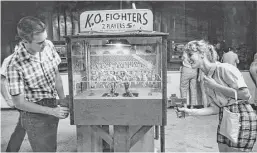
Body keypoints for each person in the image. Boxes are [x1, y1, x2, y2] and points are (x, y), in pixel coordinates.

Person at [178, 40, 257, 152]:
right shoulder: (207, 77)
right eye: (185, 55)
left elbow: (245, 94)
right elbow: (215, 108)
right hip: (225, 117)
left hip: (241, 116)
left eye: (190, 54)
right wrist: (189, 112)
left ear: (202, 54)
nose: (186, 58)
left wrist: (215, 86)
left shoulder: (224, 69)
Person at [6, 16, 69, 152]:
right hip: (33, 113)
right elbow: (19, 103)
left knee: (51, 147)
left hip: (52, 103)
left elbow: (56, 74)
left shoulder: (48, 46)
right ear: (25, 41)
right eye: (39, 42)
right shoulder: (15, 65)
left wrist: (62, 99)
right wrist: (51, 111)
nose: (45, 44)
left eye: (45, 39)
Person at [1, 42, 27, 152]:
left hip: (33, 98)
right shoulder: (10, 60)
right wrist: (8, 100)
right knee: (23, 125)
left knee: (25, 125)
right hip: (21, 99)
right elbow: (1, 82)